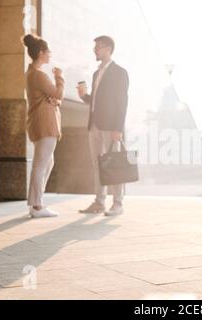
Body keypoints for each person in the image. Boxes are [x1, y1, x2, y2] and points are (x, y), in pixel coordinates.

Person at [77, 36, 130, 216]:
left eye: (98, 47)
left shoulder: (119, 72)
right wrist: (84, 96)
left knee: (113, 165)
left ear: (108, 49)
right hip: (94, 126)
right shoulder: (95, 73)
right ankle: (99, 203)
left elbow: (122, 102)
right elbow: (96, 101)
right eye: (95, 47)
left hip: (110, 127)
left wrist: (118, 129)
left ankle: (118, 203)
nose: (95, 50)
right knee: (97, 165)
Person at [23, 34, 65, 219]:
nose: (50, 55)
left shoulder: (31, 73)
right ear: (41, 53)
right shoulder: (39, 74)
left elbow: (51, 97)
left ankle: (36, 203)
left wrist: (53, 100)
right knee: (41, 164)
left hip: (39, 122)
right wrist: (59, 77)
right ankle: (37, 206)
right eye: (48, 52)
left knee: (47, 162)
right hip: (45, 124)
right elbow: (58, 93)